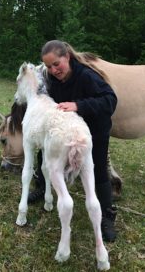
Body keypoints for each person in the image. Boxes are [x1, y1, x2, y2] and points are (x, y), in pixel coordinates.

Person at [29, 40, 118, 242]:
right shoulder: (50, 79)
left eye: (56, 64)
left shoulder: (86, 76)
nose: (53, 70)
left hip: (94, 131)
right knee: (45, 154)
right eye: (49, 66)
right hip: (64, 130)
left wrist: (78, 105)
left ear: (67, 56)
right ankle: (42, 188)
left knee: (97, 168)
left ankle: (107, 216)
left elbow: (110, 100)